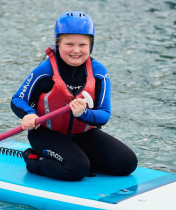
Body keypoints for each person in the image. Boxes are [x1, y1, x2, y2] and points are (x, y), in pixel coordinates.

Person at [11, 11, 138, 181]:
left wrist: (83, 114)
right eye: (69, 44)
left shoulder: (99, 72)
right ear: (58, 43)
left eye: (82, 45)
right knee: (76, 169)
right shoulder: (45, 71)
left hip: (83, 135)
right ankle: (33, 160)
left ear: (90, 46)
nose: (76, 51)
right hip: (46, 134)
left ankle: (77, 157)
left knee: (126, 163)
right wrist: (29, 113)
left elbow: (104, 115)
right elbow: (17, 99)